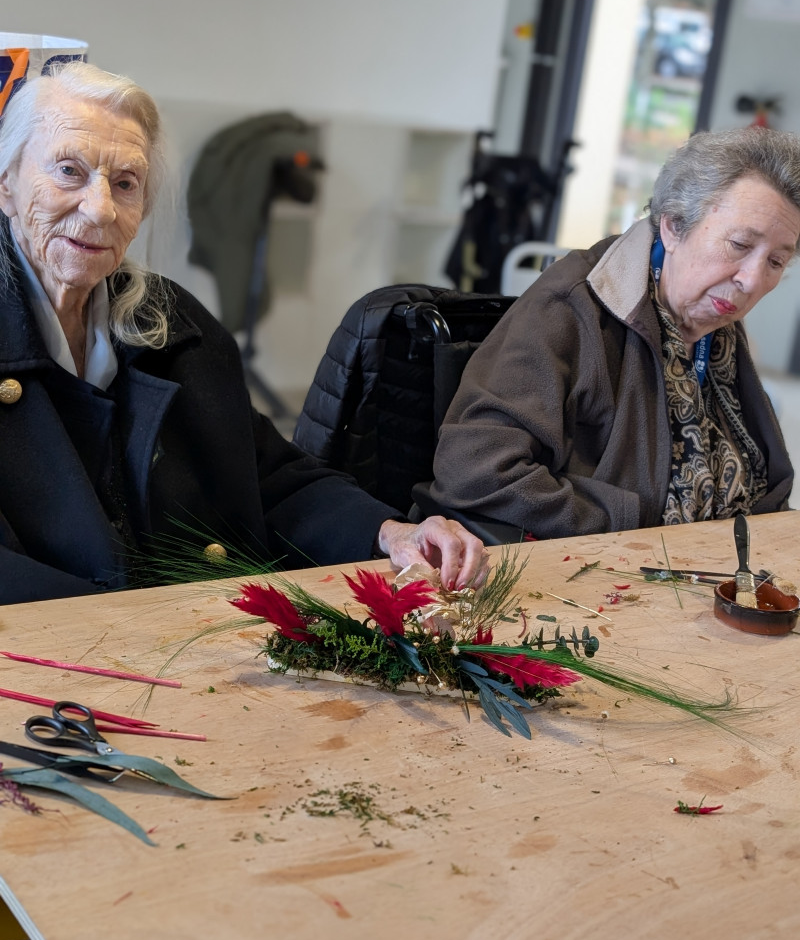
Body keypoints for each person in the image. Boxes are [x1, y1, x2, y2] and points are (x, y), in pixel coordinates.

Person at [0, 62, 487, 605]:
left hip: (194, 640)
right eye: (68, 171)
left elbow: (268, 479)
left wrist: (393, 533)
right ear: (6, 184)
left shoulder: (169, 323)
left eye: (126, 183)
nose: (100, 209)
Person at [429, 128, 800, 539]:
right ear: (674, 227)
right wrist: (625, 525)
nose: (752, 280)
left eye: (776, 261)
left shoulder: (716, 318)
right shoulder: (571, 308)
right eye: (739, 244)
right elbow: (475, 470)